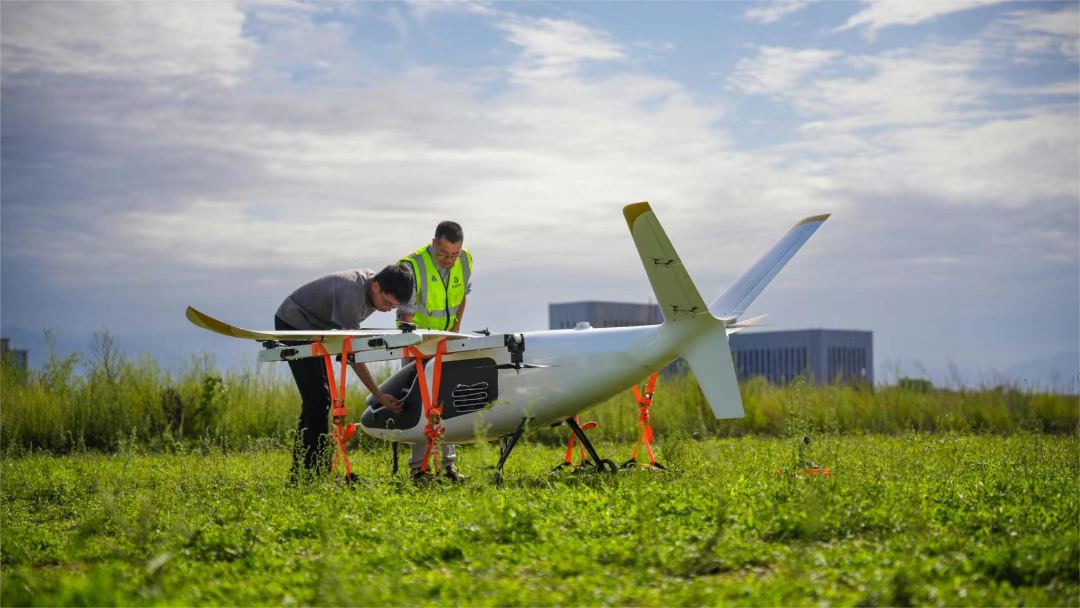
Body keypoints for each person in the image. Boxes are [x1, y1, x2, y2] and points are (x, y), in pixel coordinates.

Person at [275, 264, 414, 482]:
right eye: (387, 303)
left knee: (317, 400)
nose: (388, 310)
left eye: (394, 306)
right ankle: (314, 474)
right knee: (318, 399)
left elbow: (349, 343)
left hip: (316, 328)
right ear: (375, 286)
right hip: (293, 322)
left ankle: (303, 471)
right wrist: (378, 395)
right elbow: (352, 355)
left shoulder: (373, 286)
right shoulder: (353, 296)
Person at [398, 221, 473, 481]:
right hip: (418, 344)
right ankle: (419, 469)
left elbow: (462, 295)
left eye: (454, 254)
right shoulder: (412, 266)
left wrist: (455, 330)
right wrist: (413, 343)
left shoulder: (466, 260)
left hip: (446, 342)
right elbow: (405, 312)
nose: (450, 260)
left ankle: (448, 467)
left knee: (447, 401)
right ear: (433, 244)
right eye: (444, 254)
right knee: (420, 404)